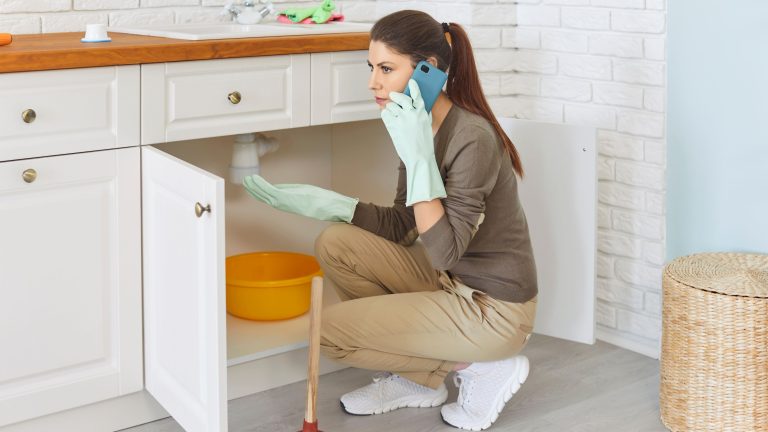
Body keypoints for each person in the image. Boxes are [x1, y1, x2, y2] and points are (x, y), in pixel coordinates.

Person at [242, 10, 537, 431]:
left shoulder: (472, 137)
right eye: (371, 68)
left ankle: (478, 367)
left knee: (327, 333)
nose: (373, 83)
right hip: (452, 284)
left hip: (493, 310)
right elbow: (404, 226)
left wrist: (419, 158)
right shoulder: (415, 125)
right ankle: (420, 381)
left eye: (385, 68)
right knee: (336, 243)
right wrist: (334, 205)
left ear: (426, 70)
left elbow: (444, 250)